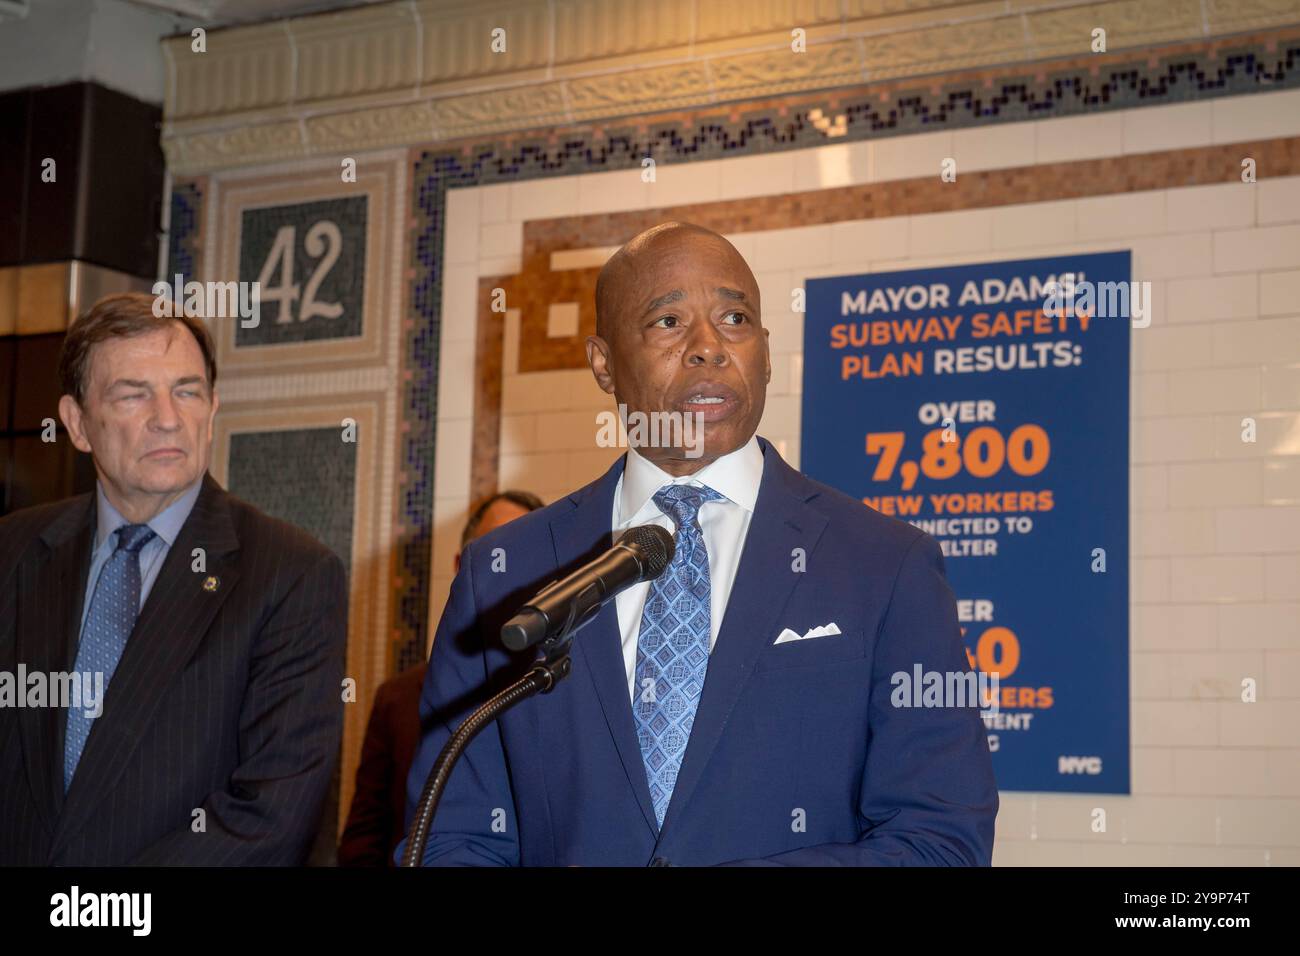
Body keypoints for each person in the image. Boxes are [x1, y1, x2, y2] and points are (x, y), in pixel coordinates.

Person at [400, 222, 998, 866]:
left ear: (765, 352)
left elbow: (940, 840)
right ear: (602, 363)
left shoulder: (886, 564)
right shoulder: (506, 573)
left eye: (734, 318)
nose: (709, 347)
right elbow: (453, 838)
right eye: (667, 322)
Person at [0, 292, 347, 865]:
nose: (168, 417)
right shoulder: (13, 553)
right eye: (134, 394)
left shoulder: (290, 574)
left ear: (212, 409)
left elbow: (269, 816)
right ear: (77, 423)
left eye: (187, 391)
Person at [337, 490, 543, 867]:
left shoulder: (561, 693)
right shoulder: (397, 699)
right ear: (460, 566)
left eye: (523, 557)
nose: (508, 569)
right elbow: (364, 836)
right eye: (495, 554)